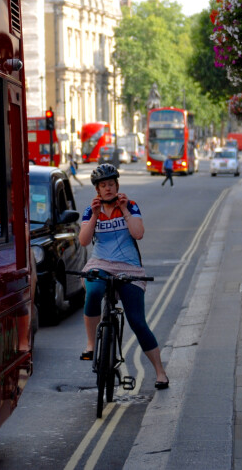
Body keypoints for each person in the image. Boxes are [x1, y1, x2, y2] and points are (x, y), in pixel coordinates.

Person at [78, 163, 169, 389]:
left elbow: (138, 233)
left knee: (137, 321)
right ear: (97, 190)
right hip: (100, 263)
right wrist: (95, 217)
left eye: (111, 184)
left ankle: (160, 372)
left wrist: (126, 210)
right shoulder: (92, 211)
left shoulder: (131, 205)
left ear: (117, 185)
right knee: (94, 292)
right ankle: (91, 345)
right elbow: (84, 241)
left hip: (129, 266)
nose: (107, 189)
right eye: (103, 185)